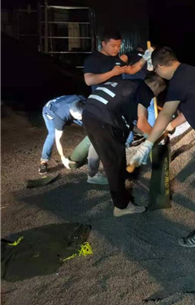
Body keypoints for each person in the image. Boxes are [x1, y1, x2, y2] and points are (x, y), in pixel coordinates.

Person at [130, 47, 195, 246]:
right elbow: (189, 110)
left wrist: (147, 144)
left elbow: (165, 113)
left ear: (160, 67)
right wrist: (171, 126)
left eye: (155, 69)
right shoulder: (190, 72)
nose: (157, 73)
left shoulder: (178, 80)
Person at [82, 73, 166, 217]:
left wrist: (144, 133)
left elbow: (129, 122)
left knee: (115, 157)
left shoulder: (130, 84)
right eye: (159, 92)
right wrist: (157, 136)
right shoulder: (144, 90)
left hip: (89, 113)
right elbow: (142, 122)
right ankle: (121, 206)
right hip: (104, 120)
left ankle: (122, 177)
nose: (156, 96)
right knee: (113, 163)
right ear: (156, 85)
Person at [82, 33, 152, 184]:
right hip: (100, 107)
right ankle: (93, 174)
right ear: (103, 43)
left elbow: (131, 70)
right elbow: (89, 80)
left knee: (118, 139)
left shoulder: (116, 60)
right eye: (113, 46)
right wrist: (112, 73)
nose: (116, 49)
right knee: (98, 142)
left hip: (116, 106)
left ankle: (121, 173)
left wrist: (144, 58)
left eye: (119, 46)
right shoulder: (93, 59)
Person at [39, 95, 86, 174]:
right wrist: (63, 158)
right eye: (79, 117)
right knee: (53, 135)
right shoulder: (60, 116)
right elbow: (58, 140)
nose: (81, 118)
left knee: (85, 122)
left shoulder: (84, 102)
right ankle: (44, 161)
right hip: (50, 111)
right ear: (72, 113)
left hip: (68, 104)